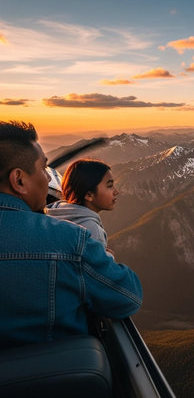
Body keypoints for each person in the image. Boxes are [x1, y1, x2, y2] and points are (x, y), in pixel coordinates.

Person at [0, 120, 142, 349]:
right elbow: (129, 296)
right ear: (19, 180)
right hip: (52, 379)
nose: (48, 179)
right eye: (43, 169)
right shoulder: (72, 242)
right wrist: (105, 257)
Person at [47, 159, 117, 250]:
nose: (116, 191)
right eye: (110, 186)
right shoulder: (93, 231)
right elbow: (92, 264)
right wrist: (107, 258)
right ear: (89, 195)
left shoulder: (52, 210)